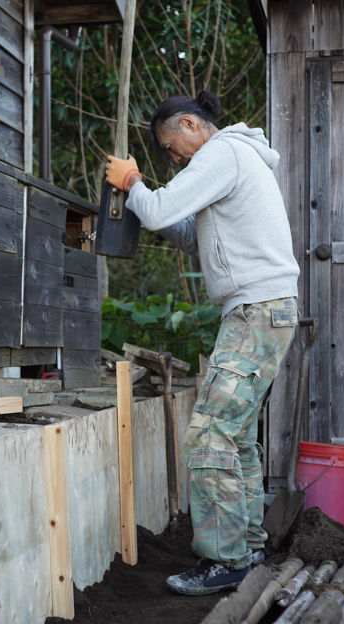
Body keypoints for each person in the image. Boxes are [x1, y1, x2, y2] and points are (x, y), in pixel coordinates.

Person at [105, 91, 300, 596]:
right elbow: (192, 233)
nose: (173, 159)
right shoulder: (235, 159)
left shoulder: (222, 152)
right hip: (262, 311)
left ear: (191, 123)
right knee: (234, 435)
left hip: (256, 311)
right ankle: (249, 545)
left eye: (172, 147)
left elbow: (162, 204)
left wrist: (132, 183)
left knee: (209, 434)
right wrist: (147, 202)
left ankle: (225, 559)